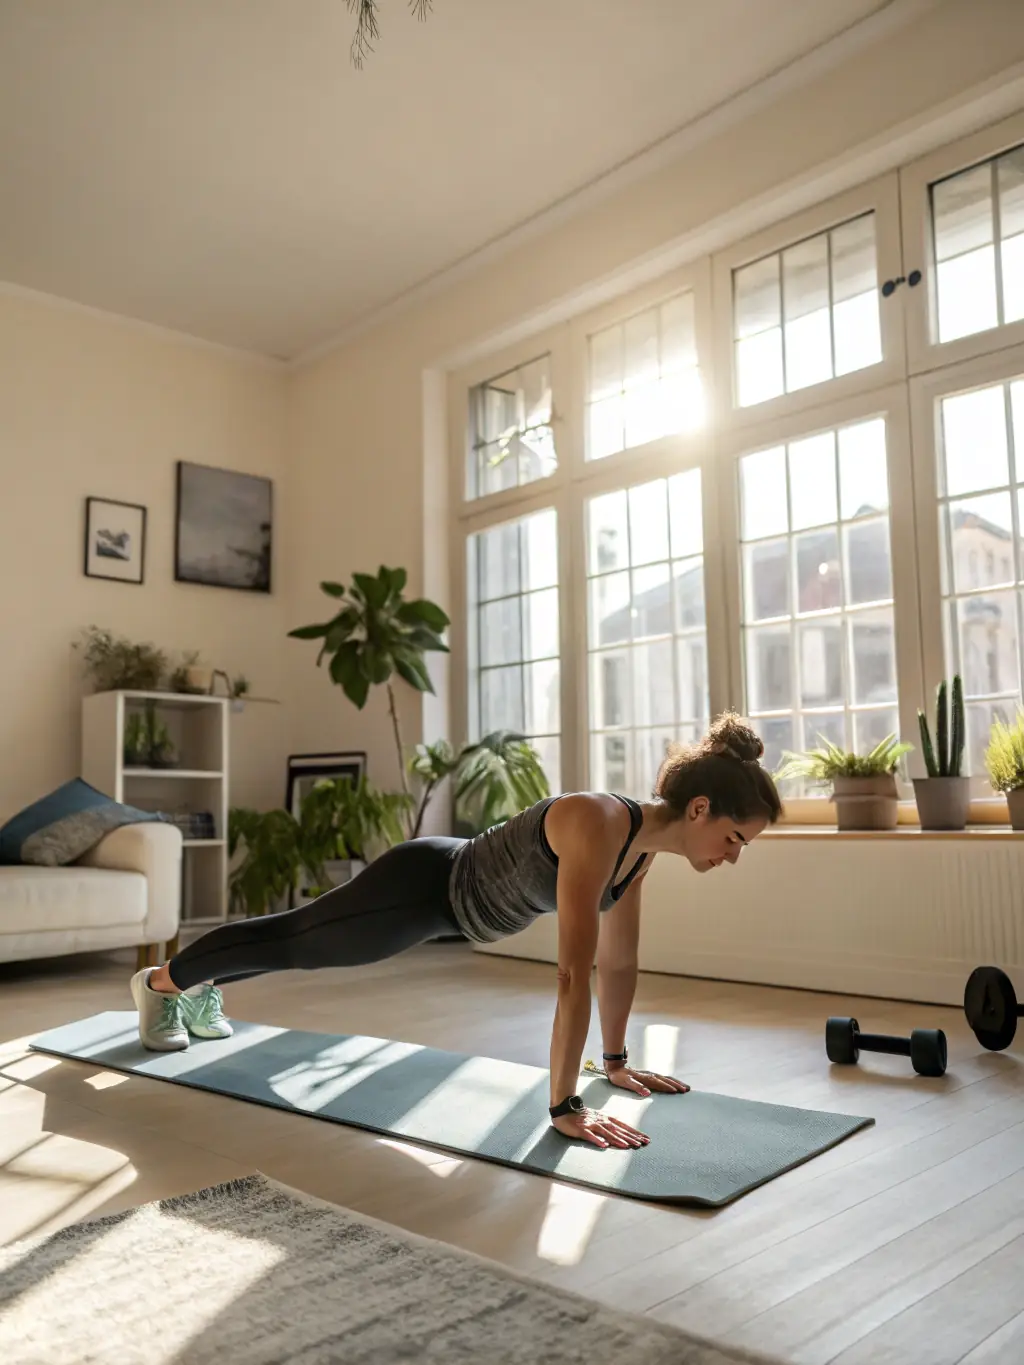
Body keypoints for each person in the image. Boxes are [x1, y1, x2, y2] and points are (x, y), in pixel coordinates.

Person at [130, 712, 782, 1151]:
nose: (733, 855)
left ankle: (192, 984)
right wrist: (563, 1107)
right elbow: (571, 973)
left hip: (447, 902)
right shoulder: (598, 821)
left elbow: (618, 963)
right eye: (733, 838)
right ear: (699, 809)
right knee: (295, 942)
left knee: (295, 944)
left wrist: (614, 1063)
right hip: (420, 891)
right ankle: (161, 983)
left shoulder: (639, 854)